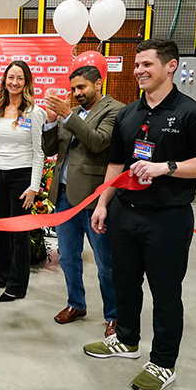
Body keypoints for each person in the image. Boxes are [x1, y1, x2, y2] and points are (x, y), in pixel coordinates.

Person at [84, 39, 196, 390]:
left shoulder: (194, 114)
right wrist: (102, 204)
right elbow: (117, 163)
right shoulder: (128, 114)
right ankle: (127, 340)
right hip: (124, 214)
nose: (139, 71)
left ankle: (163, 363)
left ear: (171, 66)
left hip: (167, 219)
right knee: (124, 283)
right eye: (136, 65)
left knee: (165, 292)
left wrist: (167, 167)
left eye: (147, 64)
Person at [42, 66, 124, 337]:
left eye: (82, 88)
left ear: (98, 83)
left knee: (105, 262)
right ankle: (76, 304)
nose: (77, 94)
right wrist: (53, 120)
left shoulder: (115, 110)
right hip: (64, 198)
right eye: (73, 89)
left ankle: (113, 315)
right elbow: (50, 149)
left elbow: (99, 142)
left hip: (93, 199)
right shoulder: (73, 114)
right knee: (67, 257)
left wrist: (67, 115)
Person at [0, 60, 45, 302]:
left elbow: (39, 152)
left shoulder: (34, 112)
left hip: (22, 176)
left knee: (19, 233)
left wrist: (33, 187)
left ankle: (17, 285)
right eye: (11, 77)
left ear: (26, 82)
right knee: (0, 228)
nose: (14, 82)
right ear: (4, 80)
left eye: (20, 78)